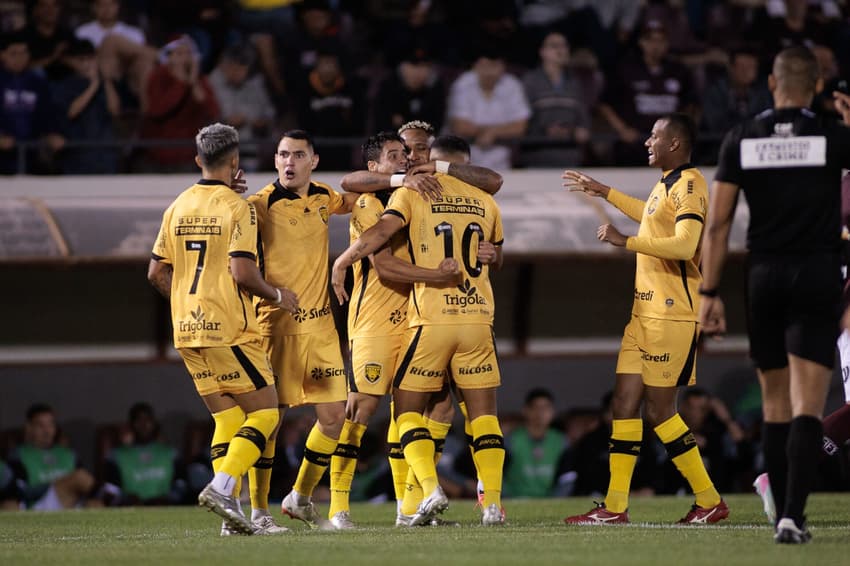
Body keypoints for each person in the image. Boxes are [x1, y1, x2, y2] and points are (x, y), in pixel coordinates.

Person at [700, 46, 850, 543]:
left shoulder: (742, 136)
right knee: (808, 403)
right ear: (818, 86)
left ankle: (780, 507)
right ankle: (791, 517)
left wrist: (708, 292)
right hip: (818, 275)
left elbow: (717, 225)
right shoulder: (832, 135)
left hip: (763, 276)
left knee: (774, 405)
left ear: (771, 82)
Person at [562, 112, 728, 525]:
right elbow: (651, 215)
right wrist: (605, 192)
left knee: (659, 412)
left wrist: (626, 241)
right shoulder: (665, 183)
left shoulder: (691, 184)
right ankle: (615, 506)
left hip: (671, 314)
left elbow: (686, 244)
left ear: (675, 143)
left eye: (654, 136)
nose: (647, 141)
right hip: (643, 313)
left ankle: (709, 500)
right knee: (623, 404)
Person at [331, 134, 506, 527]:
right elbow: (383, 260)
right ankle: (490, 504)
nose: (410, 159)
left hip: (426, 318)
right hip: (426, 319)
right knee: (366, 409)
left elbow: (380, 236)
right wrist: (485, 257)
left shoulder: (416, 195)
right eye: (400, 153)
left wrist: (342, 260)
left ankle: (417, 500)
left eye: (417, 152)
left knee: (419, 410)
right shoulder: (482, 201)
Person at [148, 122, 297, 535]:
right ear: (235, 161)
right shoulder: (238, 208)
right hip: (228, 329)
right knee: (265, 413)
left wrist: (186, 304)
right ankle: (222, 488)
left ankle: (231, 518)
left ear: (198, 159)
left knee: (229, 419)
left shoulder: (177, 206)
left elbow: (156, 272)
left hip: (187, 331)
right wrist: (278, 296)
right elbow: (242, 272)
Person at [247, 129, 358, 530]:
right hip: (275, 327)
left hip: (321, 329)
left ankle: (299, 497)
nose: (288, 162)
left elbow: (358, 191)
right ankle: (258, 511)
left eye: (297, 155)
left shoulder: (325, 196)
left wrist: (400, 175)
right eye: (282, 155)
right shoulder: (259, 205)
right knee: (268, 421)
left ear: (314, 160)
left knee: (334, 419)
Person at [445, 46, 530, 170]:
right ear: (475, 66)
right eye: (484, 66)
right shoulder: (462, 84)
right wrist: (492, 131)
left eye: (494, 66)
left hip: (502, 159)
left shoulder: (512, 85)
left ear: (503, 67)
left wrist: (493, 133)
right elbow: (460, 126)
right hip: (465, 158)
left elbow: (520, 126)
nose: (489, 72)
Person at [7, 403, 97, 510]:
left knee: (96, 503)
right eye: (40, 425)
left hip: (74, 502)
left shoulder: (69, 453)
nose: (47, 431)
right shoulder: (18, 456)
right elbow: (19, 492)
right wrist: (58, 485)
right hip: (40, 505)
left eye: (51, 424)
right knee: (79, 478)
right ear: (29, 427)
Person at [521, 31, 591, 167]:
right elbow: (521, 121)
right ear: (542, 52)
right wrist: (546, 130)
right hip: (537, 158)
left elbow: (583, 119)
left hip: (570, 158)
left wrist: (576, 130)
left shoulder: (574, 82)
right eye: (554, 46)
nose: (560, 50)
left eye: (564, 46)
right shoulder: (530, 81)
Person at [101, 402, 186, 506]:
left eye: (147, 420)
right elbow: (110, 489)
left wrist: (168, 500)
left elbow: (181, 485)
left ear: (154, 423)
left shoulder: (172, 454)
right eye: (138, 420)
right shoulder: (115, 456)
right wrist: (125, 500)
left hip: (165, 508)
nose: (143, 425)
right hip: (130, 509)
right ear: (131, 424)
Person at [502, 388, 567, 498]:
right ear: (525, 410)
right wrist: (507, 497)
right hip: (515, 499)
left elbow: (567, 477)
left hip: (550, 501)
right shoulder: (511, 440)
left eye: (545, 408)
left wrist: (555, 499)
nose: (540, 413)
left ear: (553, 412)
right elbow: (497, 475)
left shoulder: (562, 441)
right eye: (535, 407)